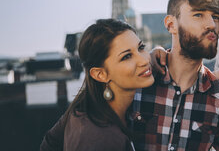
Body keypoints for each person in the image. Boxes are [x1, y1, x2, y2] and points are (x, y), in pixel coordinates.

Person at [129, 0, 219, 150]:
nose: (211, 24)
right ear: (171, 24)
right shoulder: (138, 82)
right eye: (198, 15)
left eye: (216, 17)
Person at [40, 19, 154, 151]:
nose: (144, 60)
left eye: (141, 48)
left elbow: (49, 143)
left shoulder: (85, 107)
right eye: (127, 56)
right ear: (100, 74)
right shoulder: (100, 138)